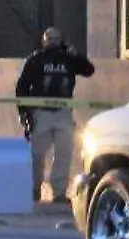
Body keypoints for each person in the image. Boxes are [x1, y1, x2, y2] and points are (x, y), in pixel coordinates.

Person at [15, 27, 96, 204]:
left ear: (61, 40)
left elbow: (89, 70)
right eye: (49, 38)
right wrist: (24, 114)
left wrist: (76, 55)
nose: (52, 41)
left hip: (63, 114)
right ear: (43, 40)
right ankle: (34, 189)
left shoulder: (68, 59)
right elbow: (21, 87)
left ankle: (59, 192)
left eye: (56, 38)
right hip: (40, 113)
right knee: (36, 154)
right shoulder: (35, 60)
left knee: (63, 154)